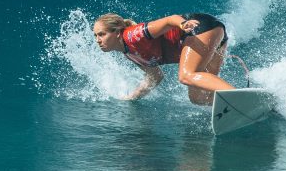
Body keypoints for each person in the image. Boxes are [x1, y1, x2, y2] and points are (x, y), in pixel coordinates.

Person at [93, 12, 235, 104]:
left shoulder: (134, 35)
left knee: (186, 76)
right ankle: (240, 105)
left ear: (117, 32)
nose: (98, 40)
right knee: (199, 98)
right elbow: (155, 76)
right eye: (95, 36)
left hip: (199, 28)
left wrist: (182, 24)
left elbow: (168, 20)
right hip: (212, 34)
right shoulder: (129, 53)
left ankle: (236, 97)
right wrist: (132, 98)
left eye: (102, 34)